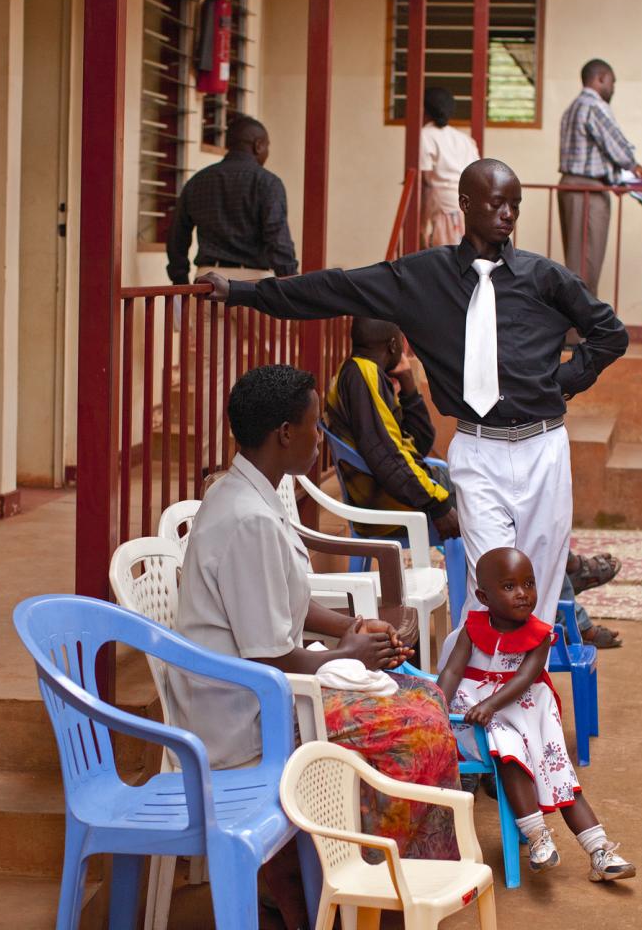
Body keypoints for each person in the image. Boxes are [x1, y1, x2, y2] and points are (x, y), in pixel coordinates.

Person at [199, 158, 629, 630]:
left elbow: (610, 333)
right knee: (494, 587)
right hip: (478, 448)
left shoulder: (546, 278)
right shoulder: (421, 277)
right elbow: (336, 288)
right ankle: (488, 692)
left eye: (515, 205)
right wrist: (241, 292)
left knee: (540, 589)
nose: (508, 214)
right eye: (497, 203)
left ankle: (525, 698)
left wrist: (560, 384)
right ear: (466, 205)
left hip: (543, 446)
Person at [169, 364, 461, 928]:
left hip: (269, 686)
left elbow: (287, 604)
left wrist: (351, 629)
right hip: (244, 713)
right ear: (283, 433)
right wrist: (346, 658)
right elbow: (265, 657)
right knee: (416, 730)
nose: (320, 437)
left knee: (422, 695)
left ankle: (352, 885)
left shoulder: (256, 492)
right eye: (314, 426)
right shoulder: (248, 518)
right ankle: (371, 892)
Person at [325, 316, 625, 647]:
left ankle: (567, 577)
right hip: (396, 504)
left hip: (410, 489)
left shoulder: (369, 375)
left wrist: (409, 386)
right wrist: (437, 505)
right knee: (516, 518)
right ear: (395, 345)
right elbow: (386, 459)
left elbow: (420, 443)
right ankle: (571, 606)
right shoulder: (362, 376)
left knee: (519, 509)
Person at [437, 547, 636, 882]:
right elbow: (453, 671)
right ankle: (537, 835)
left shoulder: (540, 634)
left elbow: (525, 678)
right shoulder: (472, 629)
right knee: (508, 752)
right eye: (510, 586)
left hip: (526, 706)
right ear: (484, 596)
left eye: (528, 584)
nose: (523, 594)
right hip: (482, 711)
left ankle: (599, 849)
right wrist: (435, 702)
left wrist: (491, 704)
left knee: (558, 769)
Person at [166, 116, 299, 285]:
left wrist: (181, 283)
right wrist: (292, 285)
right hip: (254, 284)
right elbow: (278, 241)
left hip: (207, 283)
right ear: (258, 145)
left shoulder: (197, 181)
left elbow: (177, 237)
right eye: (267, 146)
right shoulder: (267, 183)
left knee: (204, 313)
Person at [557, 59, 642, 295]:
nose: (613, 88)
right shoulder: (594, 106)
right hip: (587, 191)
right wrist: (634, 166)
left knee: (576, 262)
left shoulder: (572, 107)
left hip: (570, 186)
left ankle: (575, 329)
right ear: (601, 78)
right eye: (612, 82)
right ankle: (579, 331)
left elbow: (593, 153)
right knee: (587, 266)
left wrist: (614, 178)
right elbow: (617, 147)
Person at [420, 86, 481, 248]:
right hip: (468, 206)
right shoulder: (463, 139)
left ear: (424, 110)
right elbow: (477, 171)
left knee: (441, 258)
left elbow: (423, 175)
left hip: (442, 206)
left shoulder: (425, 135)